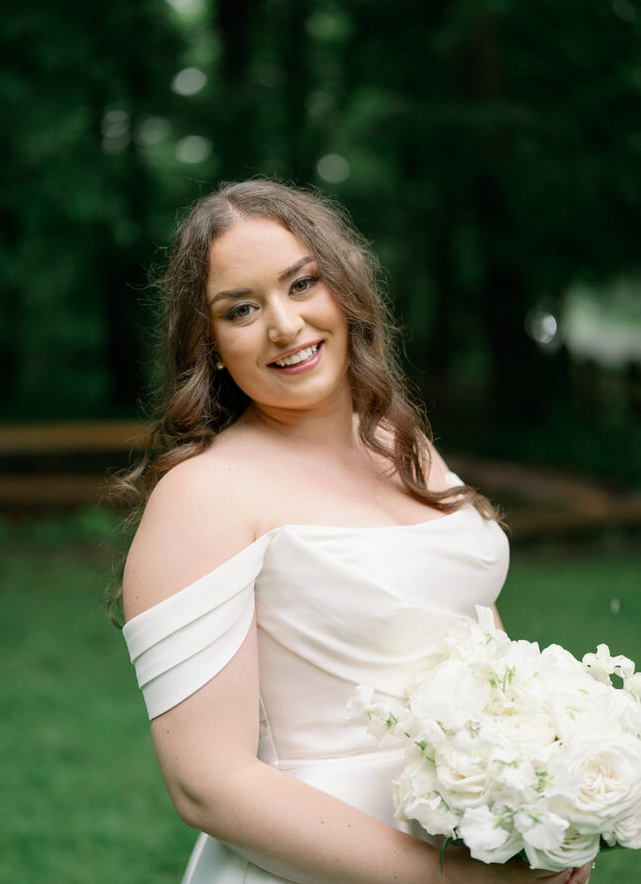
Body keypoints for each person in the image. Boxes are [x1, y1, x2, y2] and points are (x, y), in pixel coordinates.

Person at [118, 179, 594, 884]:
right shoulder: (203, 495)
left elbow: (474, 647)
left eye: (301, 283)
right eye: (241, 309)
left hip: (474, 841)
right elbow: (206, 784)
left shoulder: (401, 444)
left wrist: (541, 813)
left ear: (344, 289)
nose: (284, 325)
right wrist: (455, 881)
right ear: (210, 341)